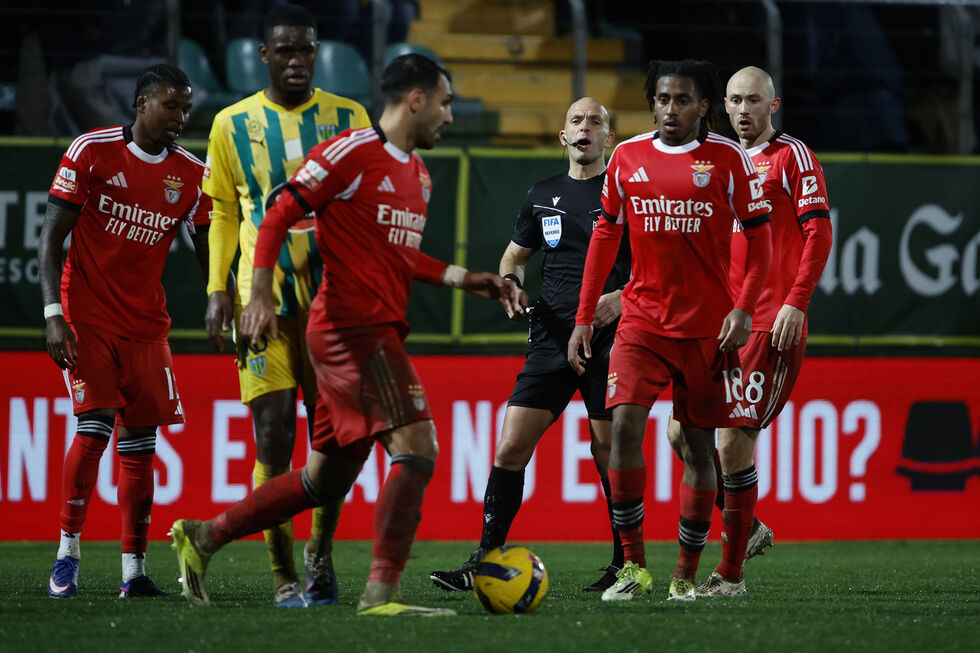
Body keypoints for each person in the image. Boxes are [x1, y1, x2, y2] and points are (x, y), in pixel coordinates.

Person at [170, 53, 521, 616]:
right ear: (416, 99)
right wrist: (258, 292)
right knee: (419, 448)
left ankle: (203, 536)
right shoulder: (352, 152)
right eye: (446, 103)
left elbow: (398, 256)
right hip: (349, 331)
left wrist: (464, 279)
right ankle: (380, 595)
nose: (450, 117)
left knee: (320, 483)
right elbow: (281, 208)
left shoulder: (420, 175)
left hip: (369, 329)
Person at [566, 59, 773, 602]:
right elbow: (605, 238)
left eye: (682, 100)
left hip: (707, 330)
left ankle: (686, 573)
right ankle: (633, 567)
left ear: (703, 106)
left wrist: (744, 308)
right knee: (625, 429)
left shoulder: (727, 159)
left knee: (701, 449)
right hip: (641, 322)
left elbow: (760, 239)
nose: (670, 109)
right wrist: (585, 316)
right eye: (661, 99)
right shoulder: (629, 157)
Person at [202, 4, 371, 607]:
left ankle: (320, 556)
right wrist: (219, 290)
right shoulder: (230, 123)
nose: (297, 61)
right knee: (272, 439)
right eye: (286, 51)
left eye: (307, 50)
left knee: (335, 448)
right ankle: (283, 578)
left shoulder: (349, 118)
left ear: (316, 53)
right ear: (265, 55)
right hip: (263, 307)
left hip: (333, 311)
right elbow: (223, 210)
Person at [429, 97, 629, 594]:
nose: (586, 127)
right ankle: (484, 559)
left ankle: (626, 563)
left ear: (610, 138)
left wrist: (621, 300)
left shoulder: (627, 193)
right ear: (563, 137)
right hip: (551, 335)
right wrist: (510, 283)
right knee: (510, 444)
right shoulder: (541, 196)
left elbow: (663, 265)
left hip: (611, 337)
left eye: (596, 121)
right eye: (577, 120)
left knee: (608, 451)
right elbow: (514, 256)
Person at [38, 64, 212, 599]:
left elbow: (209, 245)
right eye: (171, 106)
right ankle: (66, 556)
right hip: (86, 312)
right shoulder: (91, 151)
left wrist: (220, 299)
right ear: (141, 104)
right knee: (94, 431)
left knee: (140, 446)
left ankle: (133, 573)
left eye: (186, 108)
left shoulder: (191, 173)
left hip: (145, 323)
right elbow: (51, 239)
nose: (181, 117)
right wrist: (52, 314)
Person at [664, 65, 833, 597]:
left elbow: (819, 232)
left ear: (772, 105)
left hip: (770, 321)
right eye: (734, 100)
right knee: (680, 433)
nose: (742, 110)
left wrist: (796, 303)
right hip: (721, 321)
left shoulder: (792, 156)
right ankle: (749, 525)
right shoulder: (715, 159)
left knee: (736, 440)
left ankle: (730, 575)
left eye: (753, 100)